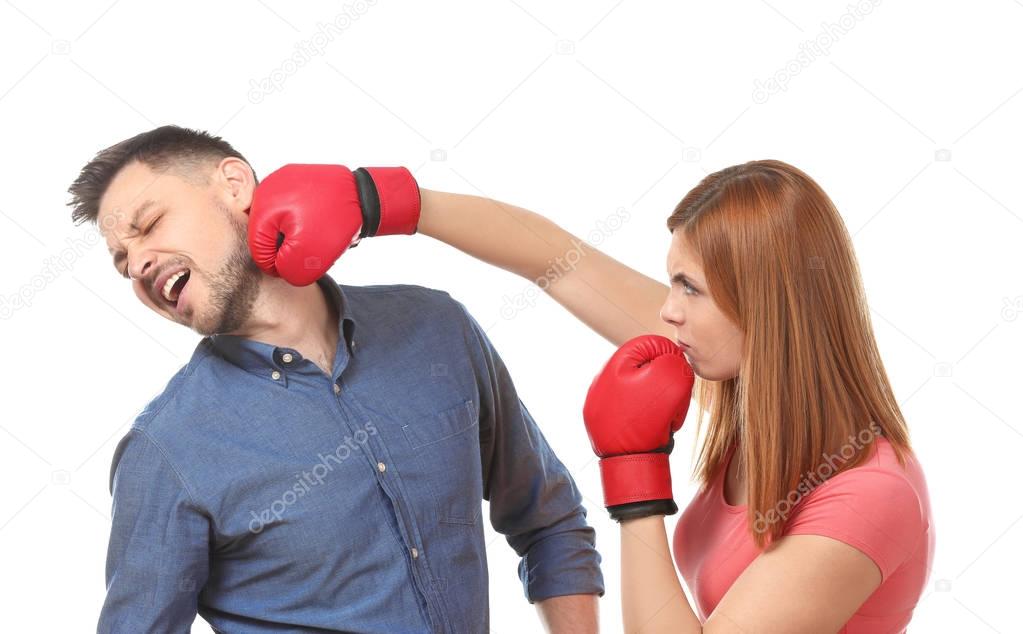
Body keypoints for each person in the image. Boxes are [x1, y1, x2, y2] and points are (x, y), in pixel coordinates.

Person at [282, 158, 935, 632]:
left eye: (688, 288)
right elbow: (553, 258)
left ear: (765, 308)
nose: (666, 313)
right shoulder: (756, 403)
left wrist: (634, 475)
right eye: (669, 283)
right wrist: (380, 198)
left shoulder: (864, 496)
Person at [67, 125, 603, 633]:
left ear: (234, 185)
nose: (137, 263)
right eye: (122, 262)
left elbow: (550, 524)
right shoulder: (166, 449)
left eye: (149, 224)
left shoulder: (437, 329)